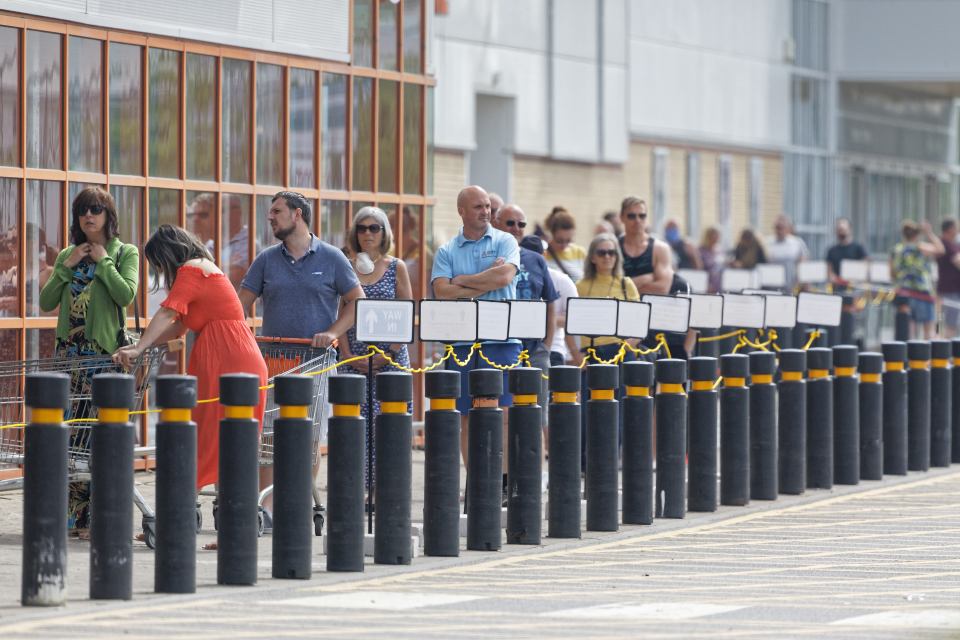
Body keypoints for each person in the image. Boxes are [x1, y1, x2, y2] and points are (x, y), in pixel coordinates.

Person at [113, 225, 267, 549]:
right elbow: (179, 325)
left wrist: (140, 348)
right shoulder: (204, 270)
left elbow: (167, 311)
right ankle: (220, 529)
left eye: (158, 263)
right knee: (216, 444)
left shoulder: (191, 269)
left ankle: (179, 521)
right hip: (228, 358)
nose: (160, 271)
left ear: (169, 254)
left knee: (209, 443)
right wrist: (140, 344)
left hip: (229, 361)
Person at [239, 191, 364, 524]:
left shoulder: (333, 258)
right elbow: (241, 303)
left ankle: (296, 502)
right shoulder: (266, 259)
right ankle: (266, 510)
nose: (270, 217)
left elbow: (357, 300)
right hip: (274, 359)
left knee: (308, 435)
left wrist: (334, 332)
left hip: (315, 362)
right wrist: (242, 336)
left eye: (277, 211)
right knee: (268, 436)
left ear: (297, 215)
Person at [40, 186, 139, 537]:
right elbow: (45, 301)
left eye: (96, 209)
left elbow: (126, 294)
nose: (88, 216)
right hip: (69, 358)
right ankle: (74, 519)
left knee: (99, 437)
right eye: (83, 210)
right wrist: (65, 268)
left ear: (108, 216)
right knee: (71, 438)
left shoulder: (124, 252)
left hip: (102, 359)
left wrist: (103, 261)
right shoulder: (69, 254)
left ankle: (98, 516)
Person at [431, 185, 520, 499]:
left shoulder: (505, 241)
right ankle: (475, 483)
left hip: (501, 339)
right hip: (463, 343)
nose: (486, 212)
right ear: (462, 211)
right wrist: (485, 279)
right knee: (467, 414)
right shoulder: (446, 251)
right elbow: (441, 291)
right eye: (479, 207)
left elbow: (504, 279)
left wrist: (464, 281)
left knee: (503, 413)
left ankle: (504, 482)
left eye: (487, 205)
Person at [338, 207, 413, 493]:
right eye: (362, 228)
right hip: (353, 356)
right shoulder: (345, 264)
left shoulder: (397, 267)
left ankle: (387, 489)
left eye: (374, 228)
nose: (367, 233)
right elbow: (340, 310)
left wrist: (390, 353)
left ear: (384, 232)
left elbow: (407, 313)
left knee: (388, 425)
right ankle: (357, 489)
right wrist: (346, 354)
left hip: (390, 359)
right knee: (355, 426)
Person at [494, 204, 559, 489]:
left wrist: (546, 342)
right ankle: (504, 477)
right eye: (510, 223)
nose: (516, 229)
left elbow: (550, 301)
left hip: (533, 348)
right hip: (501, 346)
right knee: (505, 413)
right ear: (497, 224)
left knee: (537, 411)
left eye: (521, 224)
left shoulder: (535, 259)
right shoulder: (489, 257)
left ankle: (536, 476)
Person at [565, 233, 640, 470]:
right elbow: (570, 325)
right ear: (593, 258)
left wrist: (627, 348)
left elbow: (638, 324)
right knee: (587, 411)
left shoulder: (626, 284)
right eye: (602, 252)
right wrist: (577, 356)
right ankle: (585, 463)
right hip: (591, 355)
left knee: (616, 411)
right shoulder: (581, 286)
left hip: (619, 352)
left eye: (612, 252)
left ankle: (608, 462)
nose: (607, 257)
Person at [890, 220, 944, 340]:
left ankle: (909, 357)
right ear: (916, 234)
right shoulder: (920, 247)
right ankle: (926, 358)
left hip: (904, 293)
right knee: (928, 332)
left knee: (908, 333)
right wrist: (929, 233)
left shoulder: (896, 250)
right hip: (923, 292)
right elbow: (941, 250)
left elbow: (892, 274)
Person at [544, 206, 587, 282]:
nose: (564, 245)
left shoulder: (580, 252)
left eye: (569, 241)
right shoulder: (543, 254)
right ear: (551, 234)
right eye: (559, 241)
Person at [766, 215, 808, 289]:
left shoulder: (797, 242)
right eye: (777, 227)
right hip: (770, 286)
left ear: (788, 228)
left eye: (781, 228)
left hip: (791, 286)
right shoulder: (767, 242)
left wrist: (802, 282)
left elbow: (803, 263)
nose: (779, 230)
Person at [826, 218, 868, 287]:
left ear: (850, 230)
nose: (841, 232)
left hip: (855, 289)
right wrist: (833, 278)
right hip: (837, 289)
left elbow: (867, 265)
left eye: (843, 230)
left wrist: (859, 279)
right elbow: (829, 270)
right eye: (839, 230)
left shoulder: (858, 248)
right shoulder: (831, 250)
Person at [938, 218, 960, 338]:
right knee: (949, 324)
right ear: (950, 229)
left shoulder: (952, 244)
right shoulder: (945, 244)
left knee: (949, 323)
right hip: (950, 290)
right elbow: (957, 261)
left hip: (951, 290)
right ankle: (946, 353)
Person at [698, 226, 724, 293]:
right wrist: (707, 284)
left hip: (719, 286)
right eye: (714, 236)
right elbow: (699, 268)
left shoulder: (720, 250)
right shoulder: (701, 251)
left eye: (718, 236)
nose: (716, 238)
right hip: (707, 285)